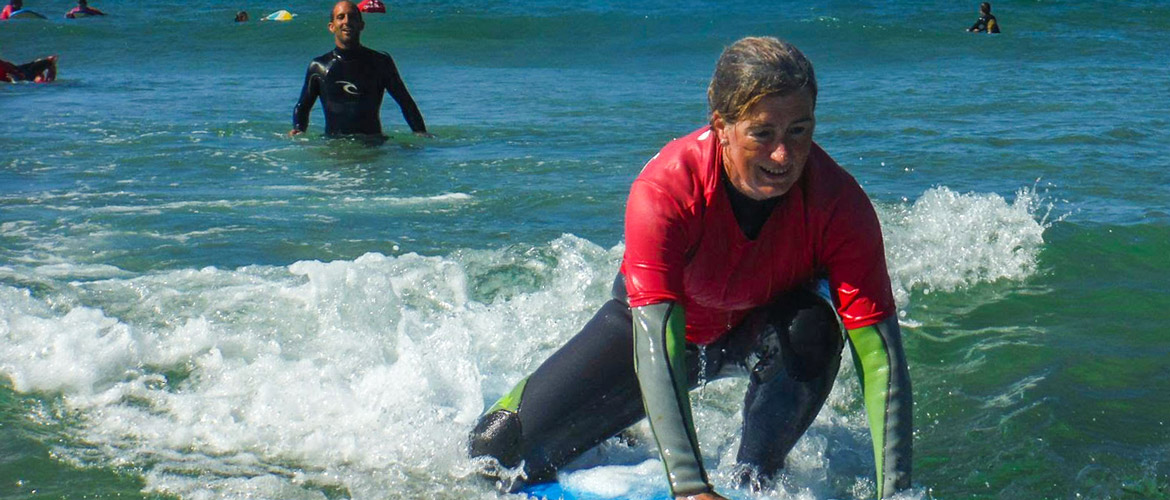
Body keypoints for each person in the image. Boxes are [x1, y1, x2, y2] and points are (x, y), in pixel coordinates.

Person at [468, 36, 913, 500]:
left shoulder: (838, 203)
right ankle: (620, 432)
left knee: (813, 328)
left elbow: (881, 356)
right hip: (648, 337)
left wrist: (896, 492)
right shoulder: (668, 188)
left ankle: (753, 479)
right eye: (763, 134)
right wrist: (690, 487)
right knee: (493, 453)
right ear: (722, 125)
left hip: (755, 334)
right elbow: (658, 340)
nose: (784, 156)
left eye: (799, 131)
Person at [289, 1, 429, 137]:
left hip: (373, 145)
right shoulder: (319, 66)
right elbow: (303, 106)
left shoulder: (380, 62)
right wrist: (298, 130)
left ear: (361, 25)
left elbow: (405, 102)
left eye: (352, 17)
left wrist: (420, 132)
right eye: (340, 17)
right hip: (335, 147)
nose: (347, 21)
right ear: (331, 26)